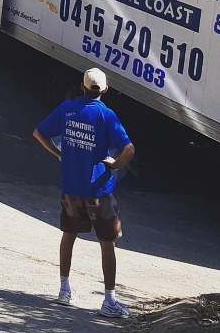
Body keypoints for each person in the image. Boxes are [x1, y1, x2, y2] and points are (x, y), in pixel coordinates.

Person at [33, 68, 135, 319]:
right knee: (107, 243)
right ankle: (109, 300)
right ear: (105, 89)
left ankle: (64, 289)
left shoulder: (67, 109)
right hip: (99, 189)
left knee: (68, 236)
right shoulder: (106, 115)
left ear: (82, 86)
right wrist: (115, 165)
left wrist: (58, 154)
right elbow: (129, 149)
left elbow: (39, 133)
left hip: (71, 187)